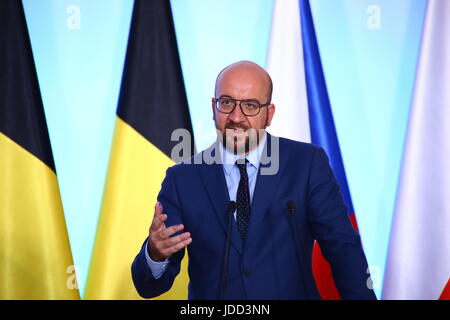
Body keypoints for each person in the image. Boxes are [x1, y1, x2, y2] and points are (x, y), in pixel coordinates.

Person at [131, 61, 377, 300]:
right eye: (227, 103)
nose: (236, 117)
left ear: (269, 114)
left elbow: (343, 248)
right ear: (213, 106)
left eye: (250, 105)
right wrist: (155, 253)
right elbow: (149, 287)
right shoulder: (182, 178)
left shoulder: (306, 164)